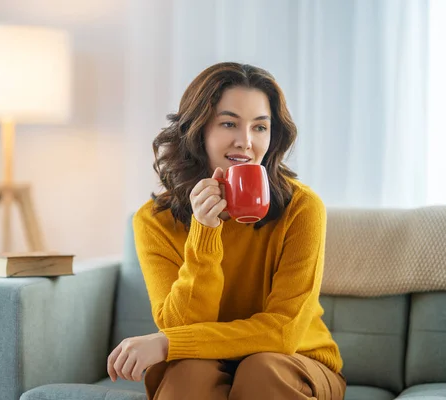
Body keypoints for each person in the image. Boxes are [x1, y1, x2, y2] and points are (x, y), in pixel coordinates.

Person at [106, 62, 346, 400]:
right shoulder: (153, 221)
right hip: (201, 360)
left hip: (295, 363)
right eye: (229, 123)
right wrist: (204, 232)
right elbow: (181, 327)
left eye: (260, 127)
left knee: (261, 370)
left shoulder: (302, 208)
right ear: (198, 130)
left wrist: (166, 344)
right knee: (187, 375)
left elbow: (283, 332)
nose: (246, 142)